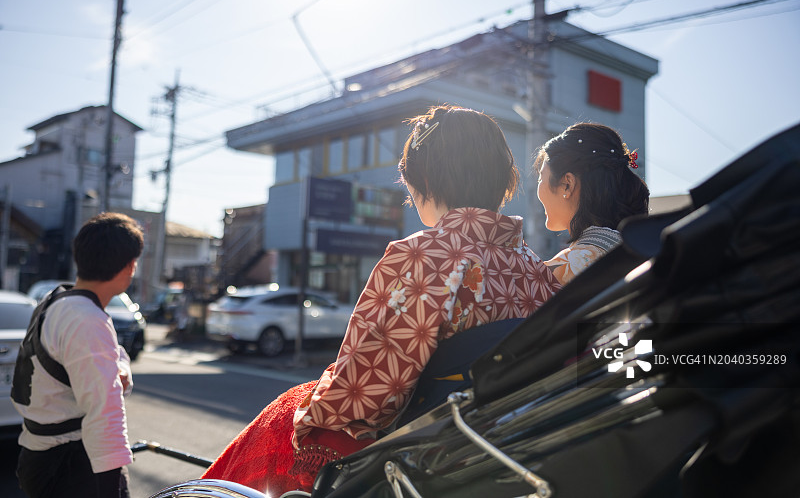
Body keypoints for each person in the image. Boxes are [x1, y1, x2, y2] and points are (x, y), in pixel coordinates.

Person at [202, 105, 561, 495]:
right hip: (493, 443)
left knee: (283, 414)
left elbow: (365, 389)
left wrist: (312, 409)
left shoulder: (424, 255)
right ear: (503, 180)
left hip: (416, 449)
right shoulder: (537, 270)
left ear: (423, 179)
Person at [11, 212, 144, 498]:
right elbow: (104, 414)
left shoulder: (57, 300)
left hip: (38, 454)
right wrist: (112, 489)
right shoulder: (87, 320)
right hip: (70, 464)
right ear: (130, 266)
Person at [534, 122, 650, 285]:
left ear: (567, 184)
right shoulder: (641, 256)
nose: (537, 188)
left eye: (540, 178)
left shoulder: (565, 268)